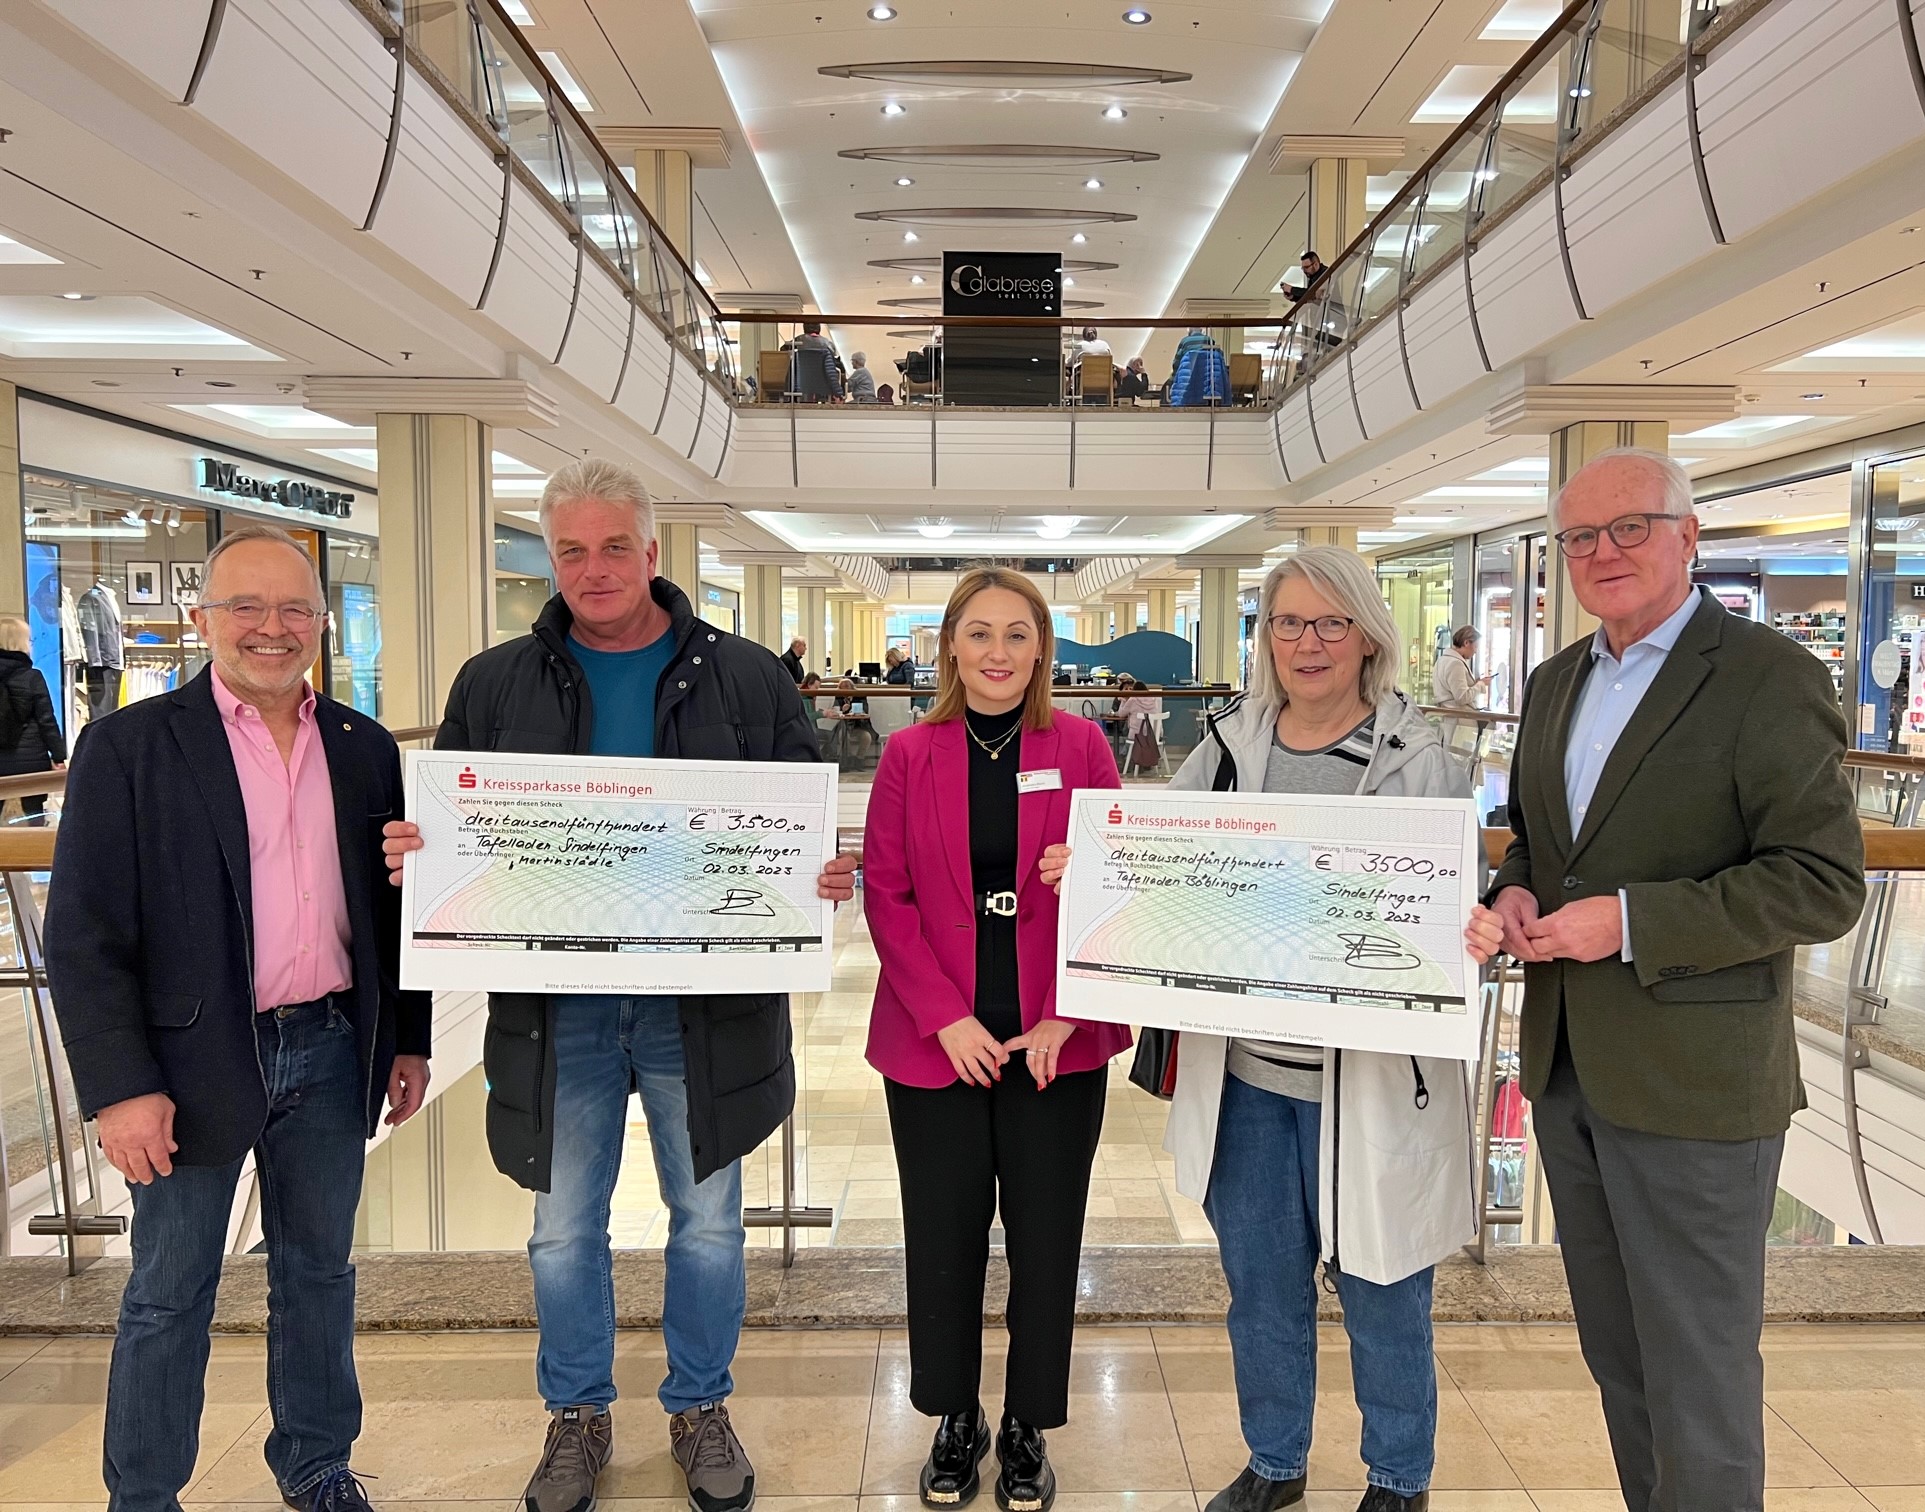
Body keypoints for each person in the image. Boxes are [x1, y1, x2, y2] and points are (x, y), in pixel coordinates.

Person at [379, 460, 857, 1512]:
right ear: (551, 558)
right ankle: (577, 1413)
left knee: (710, 1220)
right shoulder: (493, 682)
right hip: (559, 1013)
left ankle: (699, 1404)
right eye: (570, 550)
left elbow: (799, 827)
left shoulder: (748, 678)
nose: (593, 569)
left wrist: (816, 870)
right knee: (561, 1227)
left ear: (652, 553)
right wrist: (428, 852)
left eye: (613, 547)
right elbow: (459, 836)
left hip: (709, 1009)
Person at [1046, 547, 1504, 1512]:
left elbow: (1445, 901)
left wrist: (1473, 923)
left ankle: (1398, 1476)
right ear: (1266, 637)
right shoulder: (1227, 746)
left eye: (1332, 623)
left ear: (1369, 635)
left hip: (1371, 1083)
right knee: (1260, 1291)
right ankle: (1276, 1461)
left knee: (1386, 1293)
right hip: (1249, 1082)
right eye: (1289, 623)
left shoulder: (1422, 763)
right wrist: (1098, 865)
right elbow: (1167, 857)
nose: (1309, 643)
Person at [1469, 448, 1865, 1512]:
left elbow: (1822, 884)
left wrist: (1635, 923)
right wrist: (1516, 891)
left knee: (1699, 1373)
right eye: (1582, 538)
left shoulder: (1766, 677)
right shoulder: (1557, 683)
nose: (1604, 554)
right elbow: (1543, 847)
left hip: (1695, 1087)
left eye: (1630, 527)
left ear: (1688, 537)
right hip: (1566, 1074)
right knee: (1623, 1360)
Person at [45, 526, 432, 1512]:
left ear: (321, 622)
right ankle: (144, 1494)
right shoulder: (130, 748)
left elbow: (399, 910)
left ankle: (315, 1465)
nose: (272, 628)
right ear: (201, 619)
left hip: (332, 1046)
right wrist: (121, 1088)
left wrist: (408, 1040)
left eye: (294, 608)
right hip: (189, 1062)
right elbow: (84, 935)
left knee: (319, 1275)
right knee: (170, 1292)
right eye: (246, 608)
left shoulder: (364, 748)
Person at [863, 567, 1130, 1512]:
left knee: (1047, 1240)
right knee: (942, 1238)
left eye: (1018, 635)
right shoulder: (911, 754)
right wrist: (945, 1017)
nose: (998, 653)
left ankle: (1025, 1423)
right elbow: (886, 897)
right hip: (938, 1039)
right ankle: (956, 1418)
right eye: (979, 633)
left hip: (1057, 1038)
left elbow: (1121, 887)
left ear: (1042, 650)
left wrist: (1070, 1006)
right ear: (948, 646)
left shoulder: (1084, 744)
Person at [0, 614, 66, 821]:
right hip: (31, 761)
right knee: (35, 812)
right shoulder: (32, 677)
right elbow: (46, 721)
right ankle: (36, 848)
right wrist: (58, 757)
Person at [1430, 625, 1489, 750]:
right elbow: (1462, 697)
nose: (1475, 651)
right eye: (1475, 646)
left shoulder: (1442, 661)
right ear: (1466, 643)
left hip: (1449, 719)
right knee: (1460, 762)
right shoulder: (1455, 663)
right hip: (1460, 722)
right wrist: (1480, 685)